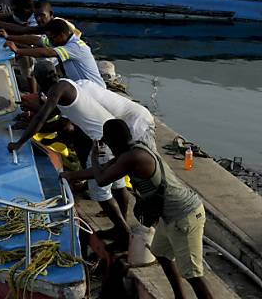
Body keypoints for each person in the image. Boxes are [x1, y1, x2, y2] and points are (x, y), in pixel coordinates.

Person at [69, 119, 213, 299]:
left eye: (106, 140)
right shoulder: (130, 151)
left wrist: (94, 157)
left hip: (184, 215)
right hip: (169, 217)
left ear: (114, 140)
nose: (105, 144)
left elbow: (101, 179)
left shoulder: (133, 157)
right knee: (161, 254)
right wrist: (67, 175)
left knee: (193, 275)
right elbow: (103, 170)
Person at [9, 71, 131, 241]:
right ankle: (123, 225)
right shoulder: (67, 84)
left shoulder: (56, 90)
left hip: (100, 142)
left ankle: (123, 232)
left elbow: (42, 118)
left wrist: (18, 143)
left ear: (40, 80)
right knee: (118, 184)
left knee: (99, 191)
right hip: (112, 138)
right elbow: (50, 118)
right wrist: (28, 123)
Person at [6, 18, 105, 88]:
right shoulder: (60, 41)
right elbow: (35, 40)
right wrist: (8, 37)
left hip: (95, 90)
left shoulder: (75, 46)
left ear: (61, 35)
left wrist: (18, 51)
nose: (50, 41)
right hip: (82, 87)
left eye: (51, 38)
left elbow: (47, 53)